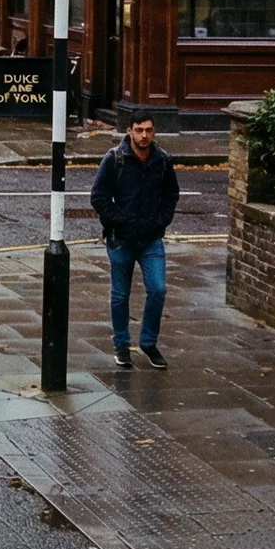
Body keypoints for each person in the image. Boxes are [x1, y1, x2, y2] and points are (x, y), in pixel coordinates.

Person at [90, 115, 180, 369]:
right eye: (139, 130)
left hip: (151, 240)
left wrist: (160, 221)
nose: (144, 136)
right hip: (121, 240)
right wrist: (119, 221)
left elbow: (171, 194)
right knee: (120, 295)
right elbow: (98, 196)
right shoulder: (114, 159)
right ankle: (122, 345)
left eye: (148, 130)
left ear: (154, 131)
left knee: (158, 290)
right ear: (129, 131)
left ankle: (148, 343)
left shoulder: (162, 160)